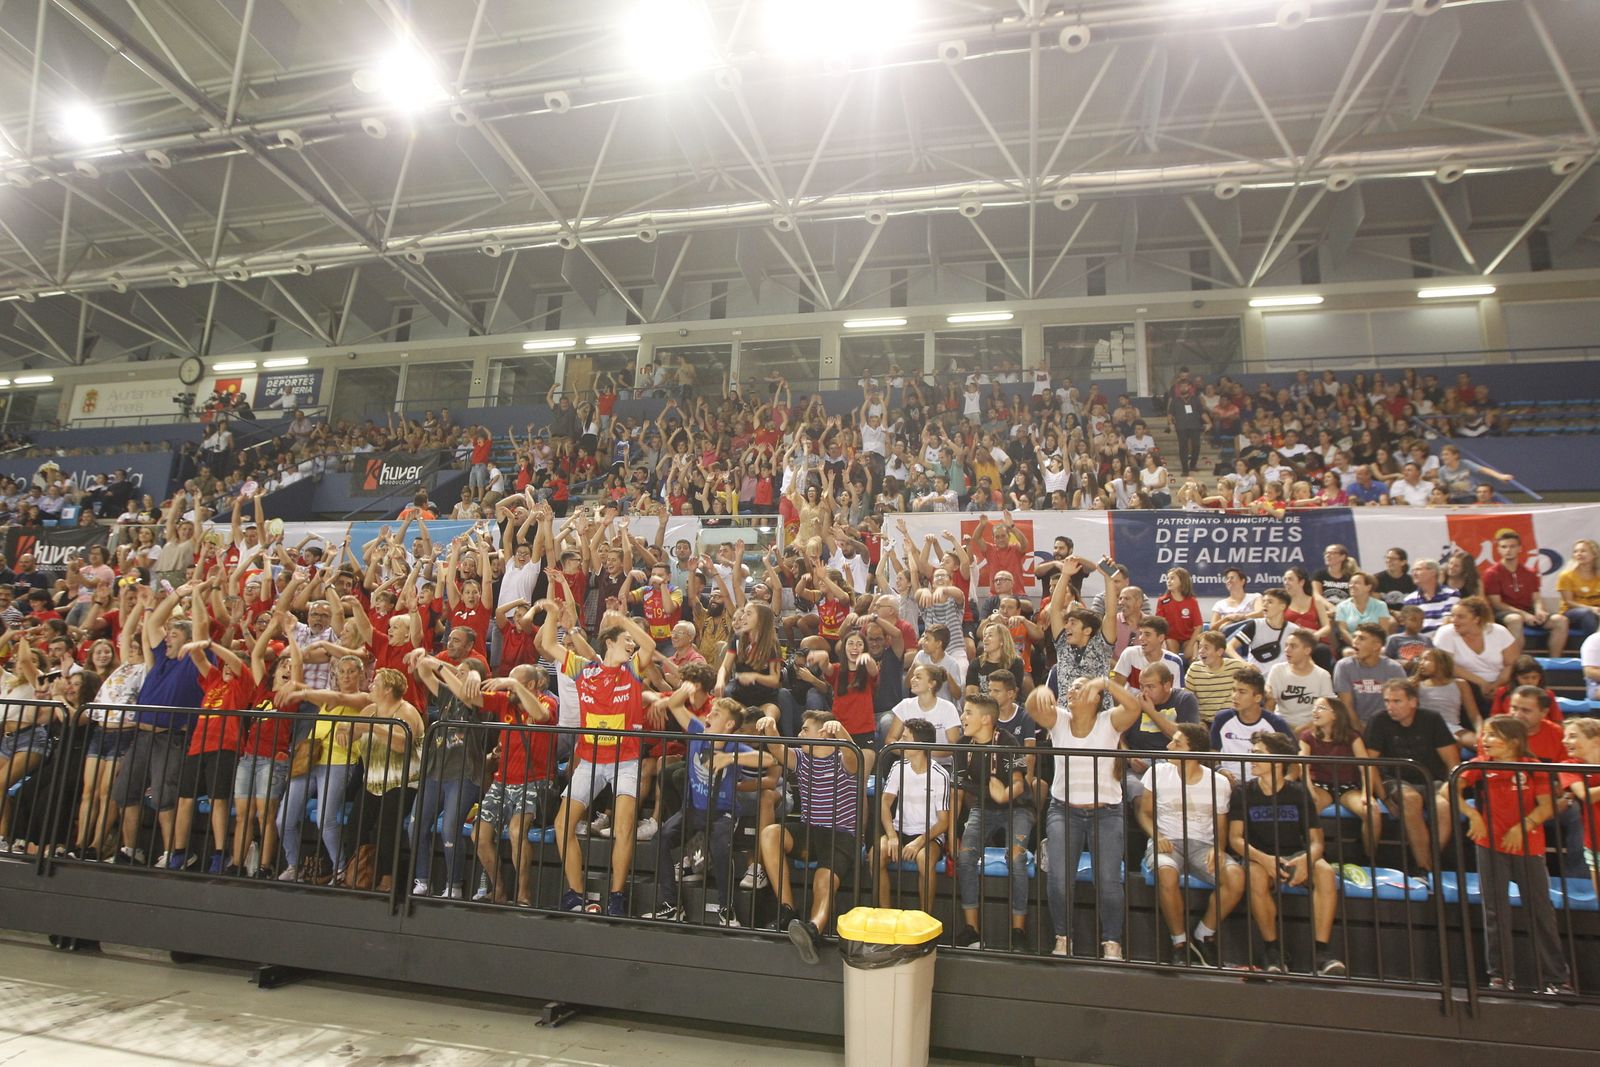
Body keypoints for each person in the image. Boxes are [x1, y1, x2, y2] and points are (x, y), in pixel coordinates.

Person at [541, 608, 658, 917]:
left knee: (623, 828)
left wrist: (624, 622)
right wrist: (553, 613)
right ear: (609, 643)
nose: (631, 646)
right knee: (560, 825)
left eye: (632, 642)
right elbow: (550, 646)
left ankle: (617, 896)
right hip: (591, 760)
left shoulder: (632, 671)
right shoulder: (585, 669)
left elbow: (650, 647)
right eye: (625, 641)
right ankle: (575, 893)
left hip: (626, 761)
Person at [1024, 675, 1141, 960]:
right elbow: (1032, 708)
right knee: (1059, 878)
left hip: (1107, 812)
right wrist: (1039, 689)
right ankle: (1063, 937)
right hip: (1064, 810)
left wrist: (1104, 682)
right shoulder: (1060, 720)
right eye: (1071, 687)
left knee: (1109, 881)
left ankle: (1112, 941)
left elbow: (1135, 707)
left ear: (1096, 696)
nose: (1072, 691)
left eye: (1079, 686)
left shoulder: (1109, 720)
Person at [1455, 715, 1571, 994]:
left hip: (1529, 848)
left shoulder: (1533, 767)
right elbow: (1450, 789)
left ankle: (1557, 979)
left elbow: (1546, 806)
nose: (1485, 740)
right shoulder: (1478, 765)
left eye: (1493, 735)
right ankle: (1500, 976)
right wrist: (1473, 815)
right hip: (1489, 845)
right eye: (1485, 735)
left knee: (1540, 911)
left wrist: (1524, 825)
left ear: (1514, 741)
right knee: (1495, 910)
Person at [741, 711, 861, 964]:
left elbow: (852, 755)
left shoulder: (844, 759)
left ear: (824, 732)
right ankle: (787, 910)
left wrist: (840, 730)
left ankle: (813, 929)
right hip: (809, 831)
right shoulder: (802, 758)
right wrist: (771, 728)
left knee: (823, 881)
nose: (799, 734)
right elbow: (778, 749)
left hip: (841, 836)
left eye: (805, 729)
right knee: (770, 834)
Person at [1230, 732, 1347, 977]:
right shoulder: (1243, 791)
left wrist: (1306, 859)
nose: (1252, 758)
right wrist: (1264, 859)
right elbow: (1236, 839)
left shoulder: (1298, 793)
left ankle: (1322, 954)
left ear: (1278, 760)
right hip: (1259, 856)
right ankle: (1273, 952)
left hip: (1295, 853)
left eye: (1258, 754)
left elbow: (1317, 841)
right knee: (1255, 876)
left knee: (1325, 872)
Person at [1136, 723, 1243, 968]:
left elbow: (1221, 824)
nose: (1168, 746)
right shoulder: (1157, 773)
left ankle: (1204, 933)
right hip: (1167, 840)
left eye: (1176, 743)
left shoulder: (1219, 782)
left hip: (1202, 845)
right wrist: (1157, 834)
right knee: (1166, 873)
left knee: (1236, 877)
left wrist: (1218, 849)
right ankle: (1179, 942)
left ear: (1192, 751)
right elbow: (1145, 813)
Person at [648, 693, 752, 927]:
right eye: (711, 711)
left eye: (716, 714)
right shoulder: (697, 729)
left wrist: (730, 758)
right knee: (660, 839)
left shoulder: (735, 744)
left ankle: (727, 908)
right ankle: (672, 904)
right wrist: (683, 689)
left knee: (720, 847)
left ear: (728, 725)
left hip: (722, 814)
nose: (709, 715)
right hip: (692, 810)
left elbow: (767, 759)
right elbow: (675, 704)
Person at [950, 694, 1033, 952]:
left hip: (1017, 808)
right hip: (983, 807)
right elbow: (958, 790)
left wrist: (1004, 795)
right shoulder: (963, 745)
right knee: (965, 856)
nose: (963, 717)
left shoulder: (1009, 742)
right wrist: (953, 832)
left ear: (986, 719)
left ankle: (1018, 931)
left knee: (1017, 857)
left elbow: (1019, 783)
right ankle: (971, 930)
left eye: (968, 712)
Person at [1363, 679, 1459, 872]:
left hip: (1432, 779)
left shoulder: (1432, 719)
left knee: (1444, 806)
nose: (1390, 707)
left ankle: (1430, 862)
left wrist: (1452, 787)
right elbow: (1369, 763)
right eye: (1387, 701)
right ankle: (1424, 867)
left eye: (1397, 701)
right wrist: (1383, 796)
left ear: (1413, 701)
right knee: (1411, 799)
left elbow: (1452, 761)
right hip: (1395, 779)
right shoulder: (1378, 720)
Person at [876, 717, 952, 912]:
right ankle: (886, 915)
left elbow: (943, 822)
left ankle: (924, 919)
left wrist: (918, 842)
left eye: (904, 738)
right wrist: (892, 836)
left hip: (929, 836)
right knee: (877, 854)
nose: (899, 742)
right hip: (900, 830)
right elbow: (885, 803)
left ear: (919, 744)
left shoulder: (940, 774)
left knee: (924, 861)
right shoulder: (897, 767)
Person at [1299, 696, 1384, 859]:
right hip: (1320, 785)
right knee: (1309, 807)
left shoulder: (1352, 737)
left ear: (1335, 714)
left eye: (1321, 708)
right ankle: (1314, 857)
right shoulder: (1307, 737)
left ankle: (1370, 859)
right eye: (1314, 708)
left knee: (1371, 811)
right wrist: (1309, 790)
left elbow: (1366, 766)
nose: (1315, 711)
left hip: (1348, 787)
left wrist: (1367, 793)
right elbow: (1303, 766)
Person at [1484, 529, 1569, 658]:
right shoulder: (1492, 573)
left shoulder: (1529, 572)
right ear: (1498, 550)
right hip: (1505, 613)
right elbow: (1497, 604)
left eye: (1512, 546)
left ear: (1519, 548)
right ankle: (1517, 665)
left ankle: (1554, 661)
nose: (1508, 550)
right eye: (1504, 547)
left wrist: (1540, 610)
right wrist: (1523, 614)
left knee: (1561, 620)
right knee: (1515, 619)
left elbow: (1536, 598)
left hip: (1529, 611)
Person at [1432, 596, 1516, 712]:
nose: (1453, 620)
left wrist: (1496, 685)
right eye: (1452, 616)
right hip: (1463, 684)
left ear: (1476, 619)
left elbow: (1511, 664)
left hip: (1499, 684)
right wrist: (1482, 683)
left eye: (1460, 617)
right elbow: (1448, 666)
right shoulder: (1446, 633)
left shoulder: (1499, 632)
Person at [1208, 668, 1293, 781]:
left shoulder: (1276, 723)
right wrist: (1219, 770)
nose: (1234, 696)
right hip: (1228, 784)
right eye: (1233, 690)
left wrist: (1283, 785)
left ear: (1257, 697)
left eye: (1242, 692)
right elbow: (1211, 753)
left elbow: (1294, 762)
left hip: (1265, 787)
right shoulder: (1222, 718)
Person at [1333, 623, 1406, 726]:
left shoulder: (1394, 669)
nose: (1355, 641)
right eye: (1355, 637)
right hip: (1354, 725)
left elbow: (1401, 705)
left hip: (1387, 725)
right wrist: (1361, 733)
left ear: (1376, 646)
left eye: (1361, 638)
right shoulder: (1343, 666)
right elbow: (1346, 706)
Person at [1264, 632, 1333, 732]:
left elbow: (1327, 710)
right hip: (1281, 725)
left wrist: (1303, 730)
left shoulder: (1323, 675)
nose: (1286, 650)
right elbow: (1270, 705)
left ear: (1307, 650)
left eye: (1293, 646)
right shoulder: (1277, 670)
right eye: (1286, 645)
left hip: (1311, 728)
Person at [1227, 588, 1303, 672]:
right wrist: (1244, 663)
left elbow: (1302, 655)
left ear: (1282, 606)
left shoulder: (1294, 630)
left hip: (1282, 678)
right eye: (1264, 601)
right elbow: (1229, 647)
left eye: (1270, 602)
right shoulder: (1255, 625)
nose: (1265, 605)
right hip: (1256, 679)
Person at [1184, 631, 1246, 725]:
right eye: (1200, 647)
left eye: (1206, 648)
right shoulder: (1194, 669)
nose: (1201, 651)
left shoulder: (1236, 666)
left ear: (1219, 652)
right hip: (1205, 723)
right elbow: (1187, 700)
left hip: (1232, 721)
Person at [1555, 539, 1600, 648]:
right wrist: (1591, 609)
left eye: (1583, 551)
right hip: (1572, 613)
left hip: (1597, 612)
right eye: (1576, 551)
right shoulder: (1566, 576)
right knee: (1586, 614)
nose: (1579, 554)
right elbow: (1569, 602)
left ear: (1594, 554)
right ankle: (1594, 648)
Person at [1401, 558, 1458, 636]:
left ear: (1433, 572)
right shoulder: (1409, 600)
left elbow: (1448, 622)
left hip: (1442, 639)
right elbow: (1410, 627)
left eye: (1418, 569)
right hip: (1419, 640)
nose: (1414, 573)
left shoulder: (1451, 594)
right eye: (1413, 571)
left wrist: (1434, 639)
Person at [1154, 567, 1202, 659]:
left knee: (1192, 656)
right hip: (1171, 637)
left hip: (1188, 638)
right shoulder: (1163, 601)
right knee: (1173, 657)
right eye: (1167, 578)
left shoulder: (1192, 601)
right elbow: (1159, 624)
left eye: (1172, 578)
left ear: (1182, 581)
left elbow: (1199, 626)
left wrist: (1190, 645)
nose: (1168, 581)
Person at [1334, 571, 1393, 643]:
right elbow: (1343, 630)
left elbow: (1383, 631)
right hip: (1351, 644)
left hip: (1374, 645)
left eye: (1357, 583)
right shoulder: (1342, 606)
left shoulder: (1380, 605)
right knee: (1349, 652)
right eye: (1351, 583)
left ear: (1368, 587)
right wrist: (1356, 644)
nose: (1352, 585)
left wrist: (1369, 646)